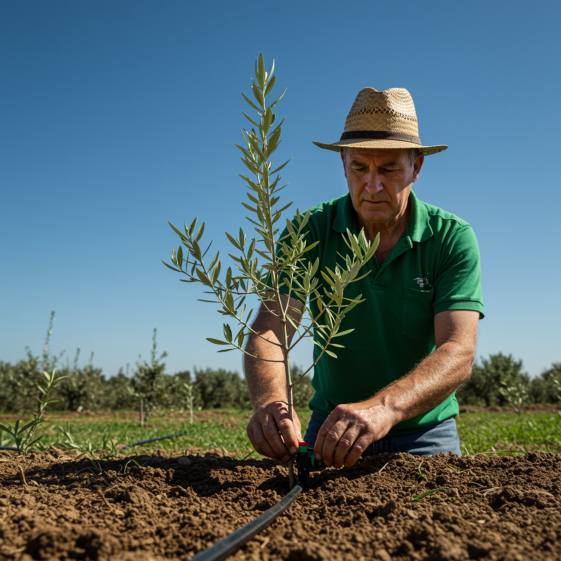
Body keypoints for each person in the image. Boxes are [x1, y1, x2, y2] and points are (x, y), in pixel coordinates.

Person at [244, 87, 484, 469]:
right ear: (343, 162)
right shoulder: (310, 231)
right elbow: (271, 328)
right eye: (360, 168)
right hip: (329, 432)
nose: (372, 185)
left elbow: (457, 350)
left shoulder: (450, 237)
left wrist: (384, 409)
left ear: (416, 167)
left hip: (422, 434)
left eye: (388, 169)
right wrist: (273, 403)